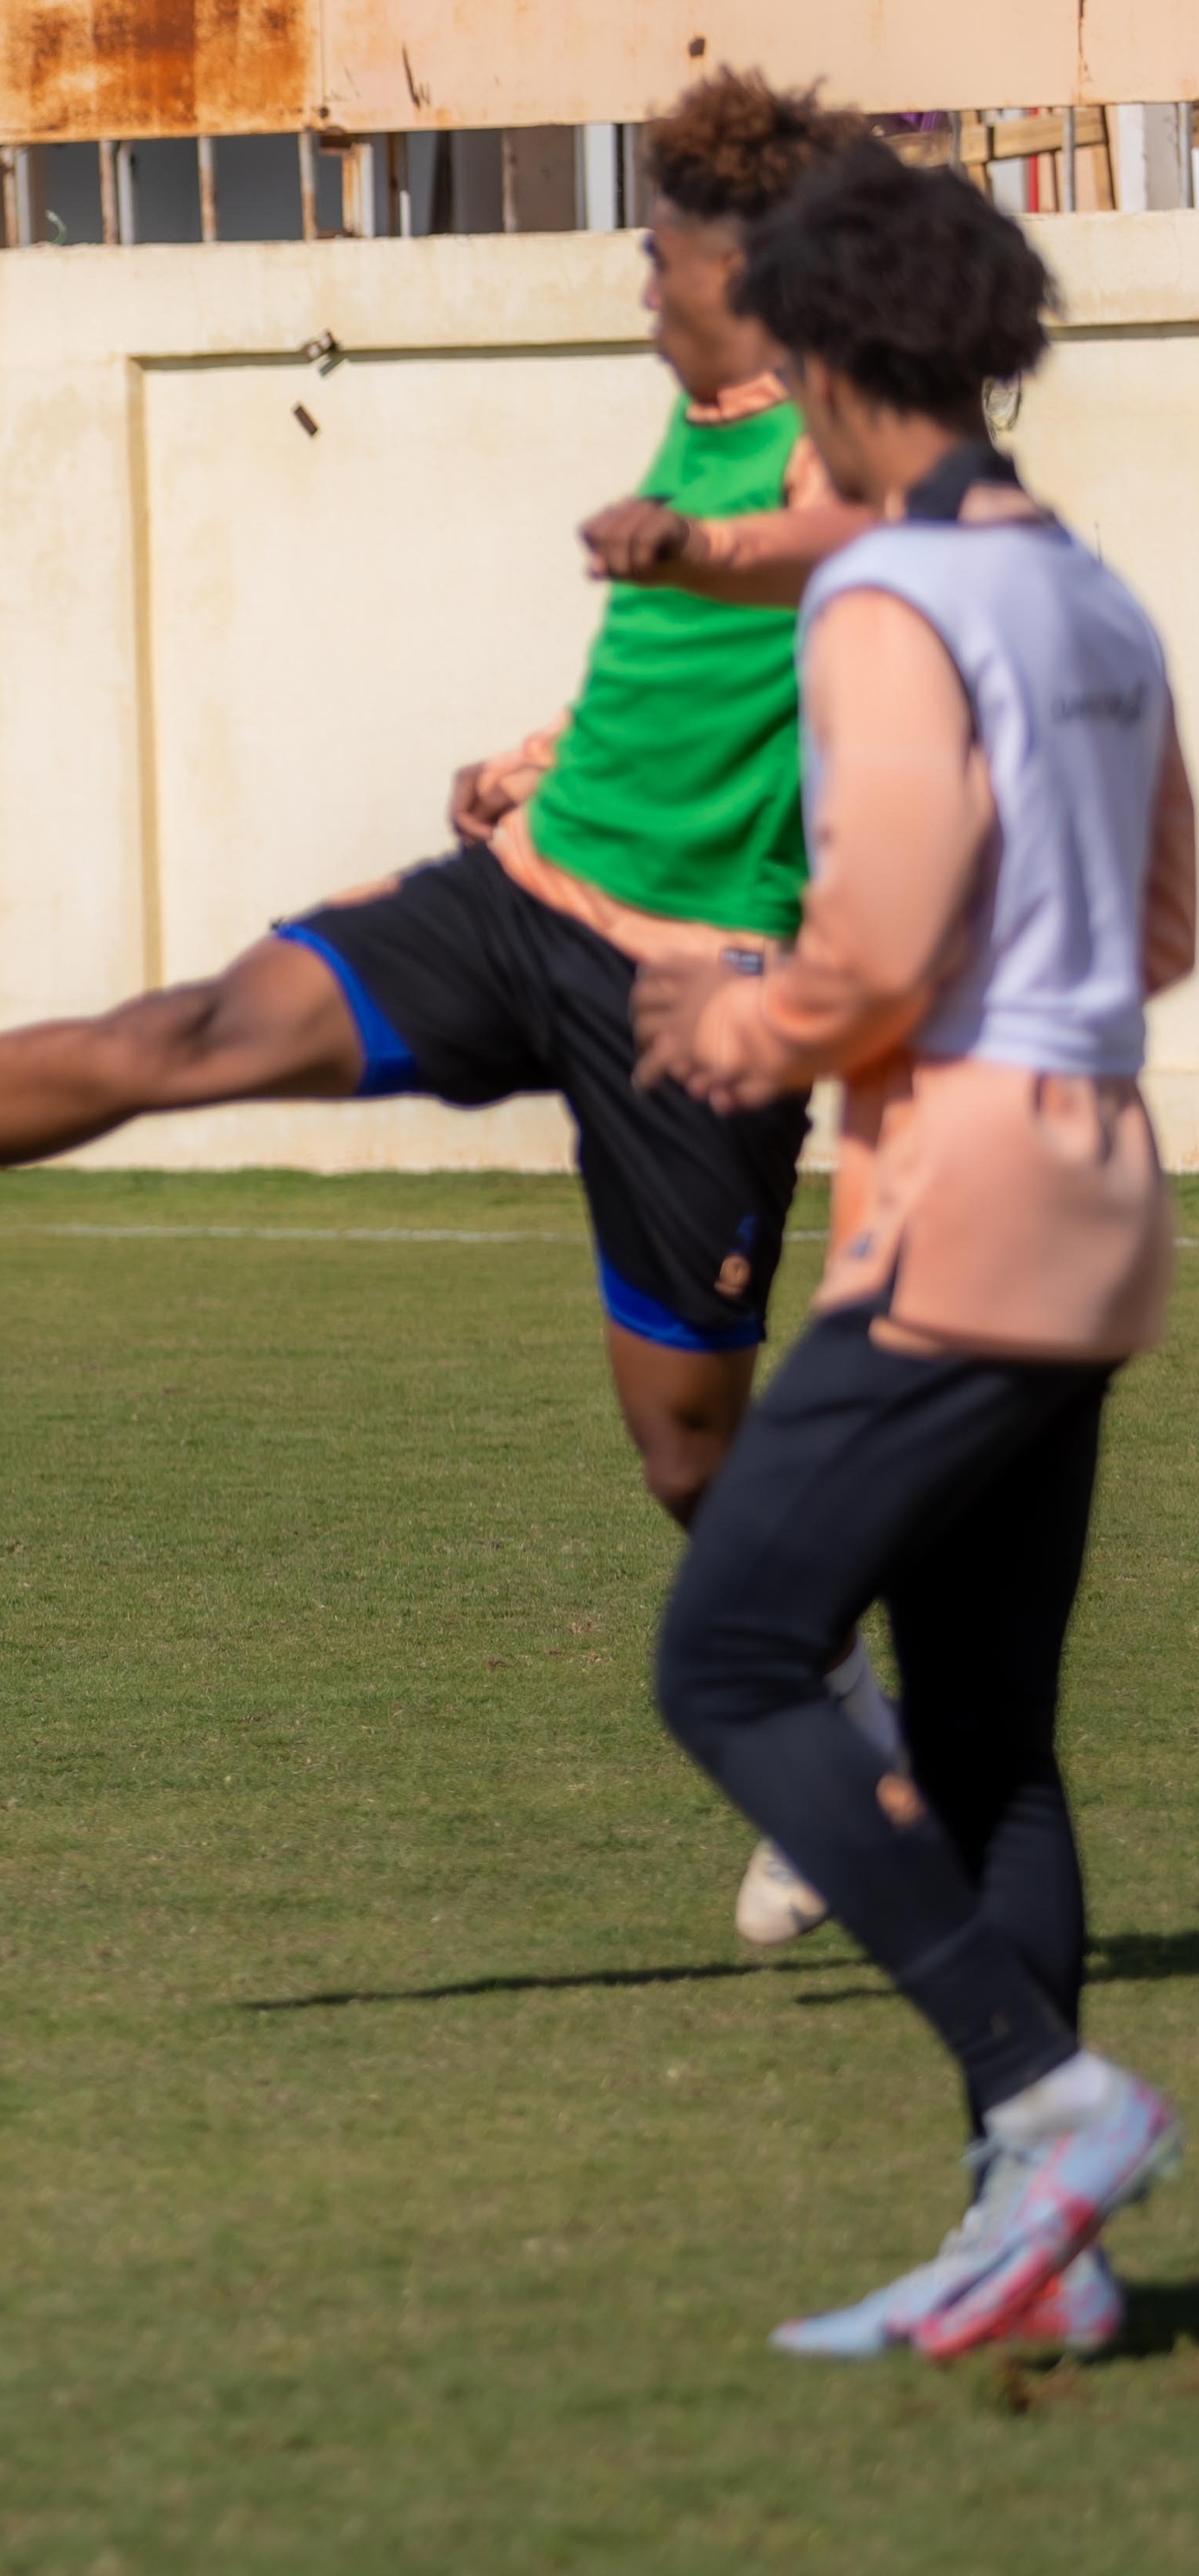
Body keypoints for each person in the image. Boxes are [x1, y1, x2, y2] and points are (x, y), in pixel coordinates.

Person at [0, 71, 881, 1930]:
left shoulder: (828, 431)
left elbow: (853, 574)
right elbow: (701, 664)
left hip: (692, 995)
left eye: (658, 250)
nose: (636, 279)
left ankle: (842, 1729)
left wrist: (699, 556)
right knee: (185, 1034)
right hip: (521, 895)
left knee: (686, 1447)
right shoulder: (687, 409)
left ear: (742, 266)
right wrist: (540, 752)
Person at [640, 153, 1190, 2360]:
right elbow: (1167, 918)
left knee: (732, 1656)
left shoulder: (880, 601)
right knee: (990, 1738)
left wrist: (735, 1017)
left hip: (954, 1184)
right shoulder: (1087, 589)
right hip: (1101, 1182)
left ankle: (1049, 2096)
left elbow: (867, 947)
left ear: (835, 362)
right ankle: (1041, 2257)